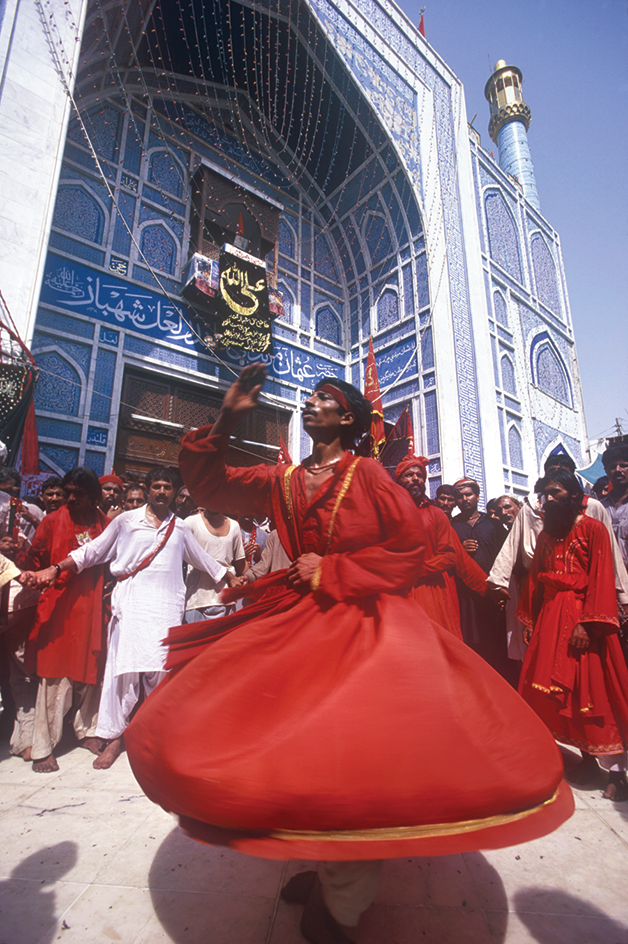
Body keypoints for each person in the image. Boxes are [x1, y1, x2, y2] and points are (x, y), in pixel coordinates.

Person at [125, 366, 571, 944]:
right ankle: (327, 861)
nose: (311, 406)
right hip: (298, 621)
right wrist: (229, 414)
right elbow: (209, 484)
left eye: (324, 400)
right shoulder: (284, 478)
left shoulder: (370, 476)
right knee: (296, 749)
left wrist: (333, 569)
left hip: (366, 626)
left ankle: (343, 909)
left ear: (348, 419)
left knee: (354, 760)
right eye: (310, 399)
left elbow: (410, 549)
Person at [25, 467, 234, 770]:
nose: (162, 492)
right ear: (147, 489)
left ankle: (156, 739)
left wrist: (230, 577)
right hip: (131, 606)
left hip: (165, 610)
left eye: (167, 487)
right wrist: (55, 569)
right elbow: (91, 552)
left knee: (159, 677)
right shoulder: (125, 521)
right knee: (123, 673)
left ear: (175, 492)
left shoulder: (180, 527)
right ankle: (114, 741)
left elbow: (204, 561)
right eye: (157, 486)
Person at [518, 467, 628, 801]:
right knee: (563, 695)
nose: (549, 499)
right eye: (546, 494)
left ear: (573, 495)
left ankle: (619, 773)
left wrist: (588, 624)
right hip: (551, 620)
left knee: (597, 692)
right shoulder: (546, 535)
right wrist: (528, 619)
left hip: (586, 622)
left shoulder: (593, 529)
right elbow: (536, 579)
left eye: (557, 493)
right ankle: (587, 760)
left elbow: (601, 576)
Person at [486, 453, 628, 666]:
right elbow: (513, 543)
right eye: (551, 471)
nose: (550, 497)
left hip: (585, 596)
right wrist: (498, 580)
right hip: (542, 593)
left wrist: (623, 595)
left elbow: (606, 560)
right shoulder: (532, 508)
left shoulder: (593, 511)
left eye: (561, 472)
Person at [20, 467, 109, 772]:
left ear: (92, 495)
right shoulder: (52, 520)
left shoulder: (103, 523)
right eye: (67, 491)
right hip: (58, 607)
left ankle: (87, 731)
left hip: (93, 606)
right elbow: (34, 558)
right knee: (53, 673)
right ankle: (44, 745)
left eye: (78, 493)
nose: (70, 498)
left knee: (91, 669)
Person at [394, 456, 486, 640]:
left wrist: (488, 586)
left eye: (420, 475)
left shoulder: (435, 514)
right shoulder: (388, 513)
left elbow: (451, 556)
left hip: (432, 590)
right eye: (409, 475)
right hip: (397, 591)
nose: (415, 479)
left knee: (437, 645)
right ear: (398, 481)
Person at [450, 478, 507, 670]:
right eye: (460, 496)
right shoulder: (451, 526)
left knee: (494, 636)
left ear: (477, 496)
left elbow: (505, 555)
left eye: (469, 494)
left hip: (491, 591)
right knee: (469, 637)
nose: (465, 499)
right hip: (463, 592)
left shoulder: (493, 524)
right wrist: (460, 548)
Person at [184, 509, 246, 622]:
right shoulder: (190, 523)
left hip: (225, 601)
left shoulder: (234, 526)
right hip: (197, 600)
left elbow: (240, 565)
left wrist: (245, 578)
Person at [601, 443, 628, 567]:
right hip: (609, 577)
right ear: (606, 471)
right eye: (613, 466)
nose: (618, 470)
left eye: (623, 465)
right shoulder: (600, 507)